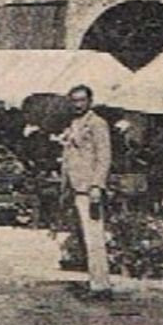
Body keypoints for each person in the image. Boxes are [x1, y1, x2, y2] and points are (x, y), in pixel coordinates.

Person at [60, 83, 114, 299]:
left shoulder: (97, 123)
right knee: (83, 236)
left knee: (94, 237)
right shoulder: (74, 123)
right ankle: (94, 281)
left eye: (82, 100)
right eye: (74, 100)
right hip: (75, 186)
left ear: (90, 101)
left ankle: (101, 286)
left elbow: (104, 156)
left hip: (88, 188)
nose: (77, 105)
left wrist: (97, 186)